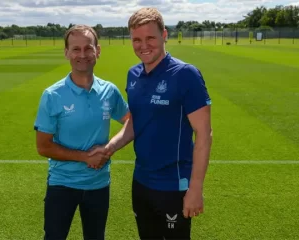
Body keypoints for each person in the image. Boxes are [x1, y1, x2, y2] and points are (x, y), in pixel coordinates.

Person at [89, 7, 212, 240]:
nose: (143, 45)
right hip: (141, 183)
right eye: (136, 39)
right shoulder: (133, 75)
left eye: (150, 38)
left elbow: (204, 133)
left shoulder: (186, 74)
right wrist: (109, 148)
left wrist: (195, 188)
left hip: (174, 185)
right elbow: (136, 122)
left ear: (164, 35)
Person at [33, 24, 129, 240]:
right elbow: (43, 146)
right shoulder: (52, 95)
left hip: (99, 184)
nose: (82, 54)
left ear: (98, 51)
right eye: (76, 49)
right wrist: (85, 157)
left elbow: (130, 120)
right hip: (62, 184)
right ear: (67, 53)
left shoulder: (109, 91)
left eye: (88, 48)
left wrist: (109, 148)